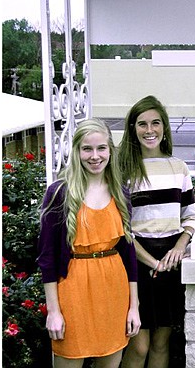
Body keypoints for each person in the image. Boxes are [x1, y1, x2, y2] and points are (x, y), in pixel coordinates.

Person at [37, 118, 141, 368]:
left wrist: (134, 307)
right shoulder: (60, 193)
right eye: (87, 149)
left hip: (114, 294)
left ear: (110, 150)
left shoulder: (120, 192)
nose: (95, 156)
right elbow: (47, 258)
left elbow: (128, 255)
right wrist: (53, 311)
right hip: (72, 295)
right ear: (77, 151)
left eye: (101, 148)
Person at [118, 95, 195, 368]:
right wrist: (152, 263)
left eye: (155, 122)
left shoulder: (179, 168)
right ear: (132, 128)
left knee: (162, 342)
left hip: (171, 263)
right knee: (138, 345)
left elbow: (190, 216)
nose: (149, 130)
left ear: (164, 127)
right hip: (137, 264)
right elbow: (121, 228)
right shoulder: (123, 171)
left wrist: (179, 247)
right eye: (142, 124)